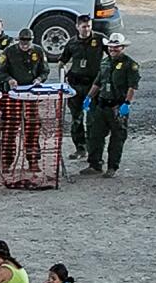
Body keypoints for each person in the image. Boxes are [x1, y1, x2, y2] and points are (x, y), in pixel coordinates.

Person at [85, 33, 139, 176]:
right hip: (102, 105)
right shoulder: (104, 62)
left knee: (117, 138)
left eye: (116, 47)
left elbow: (132, 87)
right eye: (111, 47)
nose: (113, 50)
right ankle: (94, 164)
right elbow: (98, 82)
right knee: (95, 136)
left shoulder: (130, 65)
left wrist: (126, 103)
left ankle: (112, 167)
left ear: (122, 47)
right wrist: (89, 97)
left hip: (117, 106)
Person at [0, 27, 50, 171]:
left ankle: (33, 161)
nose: (25, 43)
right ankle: (6, 162)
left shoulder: (38, 51)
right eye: (23, 40)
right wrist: (9, 79)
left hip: (31, 96)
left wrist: (40, 79)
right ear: (18, 39)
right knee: (10, 128)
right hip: (13, 96)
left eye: (28, 41)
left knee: (32, 128)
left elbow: (45, 70)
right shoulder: (9, 51)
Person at [59, 14, 108, 159]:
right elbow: (62, 61)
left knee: (93, 119)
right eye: (83, 27)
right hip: (76, 85)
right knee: (76, 118)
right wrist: (64, 77)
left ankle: (94, 151)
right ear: (77, 27)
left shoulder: (99, 39)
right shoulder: (72, 43)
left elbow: (112, 52)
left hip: (93, 85)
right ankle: (80, 148)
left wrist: (106, 72)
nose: (86, 29)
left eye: (89, 26)